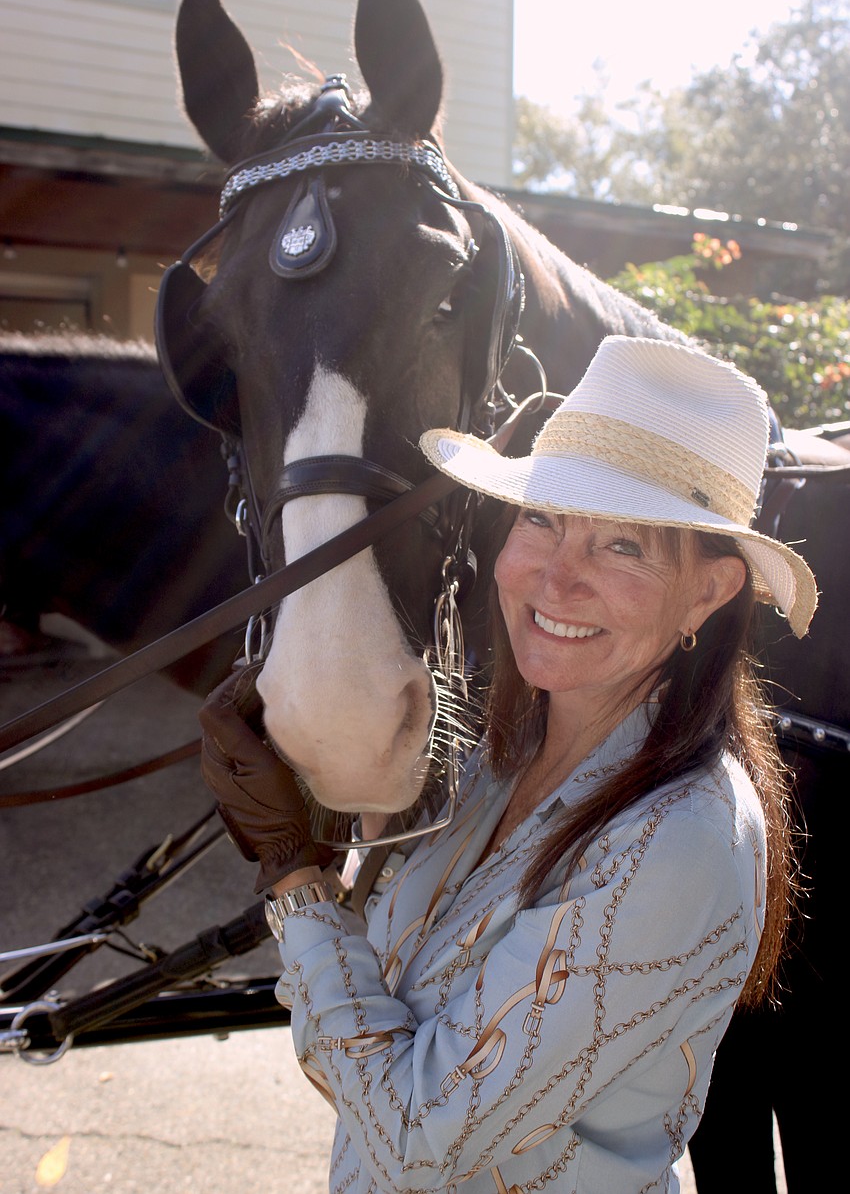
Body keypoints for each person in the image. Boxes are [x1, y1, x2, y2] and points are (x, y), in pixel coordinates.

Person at [199, 335, 817, 1193]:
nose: (555, 579)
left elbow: (413, 1134)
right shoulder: (500, 757)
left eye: (623, 545)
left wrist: (293, 875)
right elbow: (371, 1033)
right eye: (542, 519)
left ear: (708, 592)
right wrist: (330, 795)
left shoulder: (680, 839)